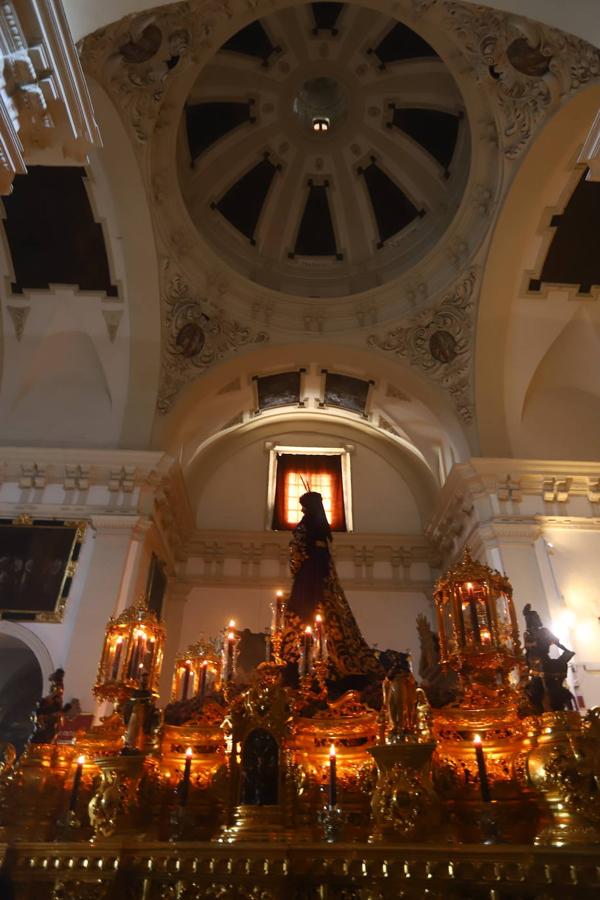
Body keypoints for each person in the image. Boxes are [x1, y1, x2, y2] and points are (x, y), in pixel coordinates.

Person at [281, 491, 382, 689]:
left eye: (304, 506)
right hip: (326, 580)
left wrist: (298, 570)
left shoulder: (303, 527)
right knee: (333, 618)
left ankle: (301, 661)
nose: (302, 509)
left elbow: (297, 552)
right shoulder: (323, 530)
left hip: (308, 579)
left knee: (301, 615)